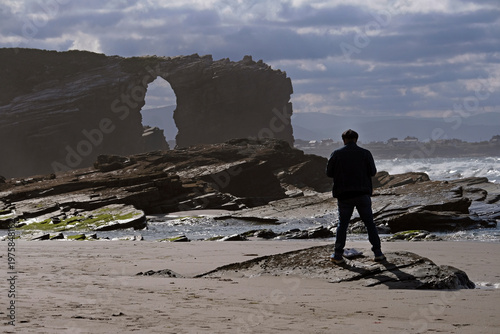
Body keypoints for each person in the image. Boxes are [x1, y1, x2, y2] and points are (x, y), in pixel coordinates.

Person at [326, 129, 385, 264]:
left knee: (343, 225)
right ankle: (378, 253)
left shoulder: (336, 154)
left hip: (344, 194)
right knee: (370, 223)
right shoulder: (365, 153)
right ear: (356, 139)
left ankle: (338, 255)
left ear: (344, 140)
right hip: (362, 193)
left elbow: (329, 173)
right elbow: (373, 172)